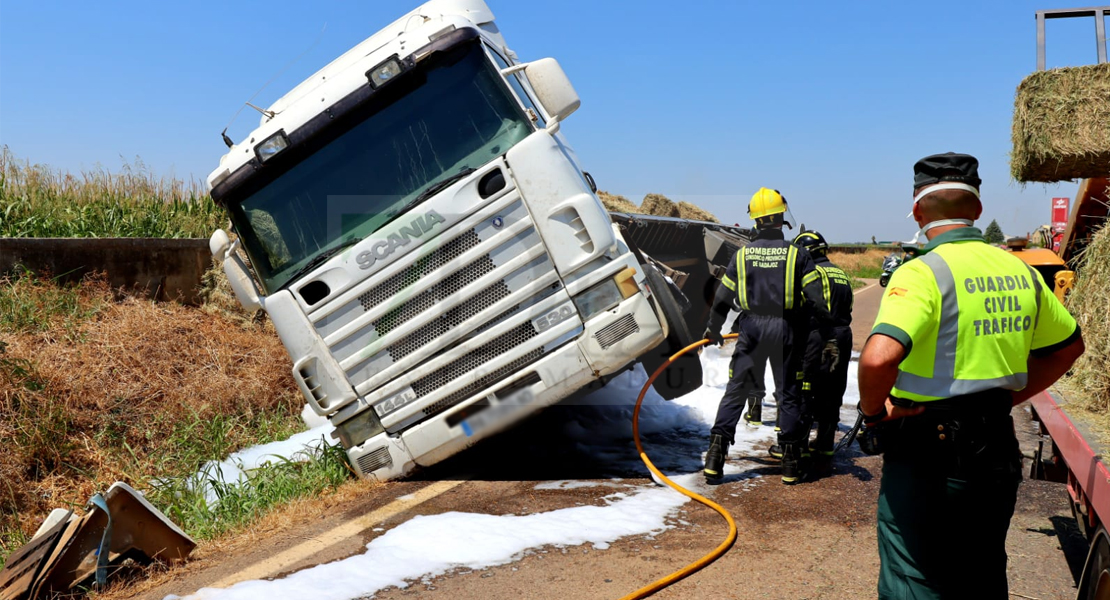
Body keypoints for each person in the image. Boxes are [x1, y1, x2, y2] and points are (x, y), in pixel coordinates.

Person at [858, 152, 1085, 599]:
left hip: (927, 452)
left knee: (914, 578)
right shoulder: (1018, 269)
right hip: (995, 448)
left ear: (918, 211)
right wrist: (1010, 398)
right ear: (978, 210)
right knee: (981, 573)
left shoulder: (922, 272)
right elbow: (1069, 347)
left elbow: (877, 359)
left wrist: (873, 414)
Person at [702, 187, 831, 485]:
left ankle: (715, 457)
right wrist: (822, 333)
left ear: (755, 221)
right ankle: (789, 463)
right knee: (788, 393)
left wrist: (713, 329)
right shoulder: (797, 254)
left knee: (737, 389)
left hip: (751, 329)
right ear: (781, 218)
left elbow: (722, 298)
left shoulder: (742, 255)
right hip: (787, 328)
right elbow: (817, 301)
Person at [792, 230, 853, 458]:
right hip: (844, 335)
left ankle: (800, 445)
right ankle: (825, 443)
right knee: (833, 389)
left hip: (820, 335)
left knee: (807, 388)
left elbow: (804, 306)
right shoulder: (841, 273)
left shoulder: (812, 272)